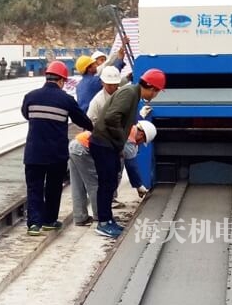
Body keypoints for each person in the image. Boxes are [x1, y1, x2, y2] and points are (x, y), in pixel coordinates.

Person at [90, 68, 166, 238]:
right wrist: (120, 138)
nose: (155, 96)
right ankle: (103, 223)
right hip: (104, 143)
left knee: (109, 183)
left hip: (108, 144)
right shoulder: (130, 93)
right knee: (106, 183)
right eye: (157, 92)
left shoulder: (133, 94)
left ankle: (108, 220)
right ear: (152, 88)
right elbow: (111, 118)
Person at [21, 60, 92, 236]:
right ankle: (49, 221)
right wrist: (94, 128)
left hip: (34, 152)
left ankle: (33, 225)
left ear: (47, 77)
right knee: (53, 187)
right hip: (56, 154)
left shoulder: (30, 96)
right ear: (62, 80)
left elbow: (26, 114)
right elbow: (81, 120)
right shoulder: (66, 100)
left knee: (34, 187)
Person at [68, 121, 157, 226]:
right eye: (142, 142)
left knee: (77, 185)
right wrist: (138, 185)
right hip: (84, 149)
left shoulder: (126, 128)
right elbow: (131, 165)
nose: (139, 144)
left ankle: (80, 217)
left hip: (76, 144)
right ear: (141, 134)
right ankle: (101, 218)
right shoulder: (129, 137)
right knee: (96, 184)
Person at [75, 45, 126, 111]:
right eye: (94, 64)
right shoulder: (93, 82)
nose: (96, 66)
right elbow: (111, 76)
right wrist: (120, 59)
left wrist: (127, 78)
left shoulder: (79, 85)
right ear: (89, 69)